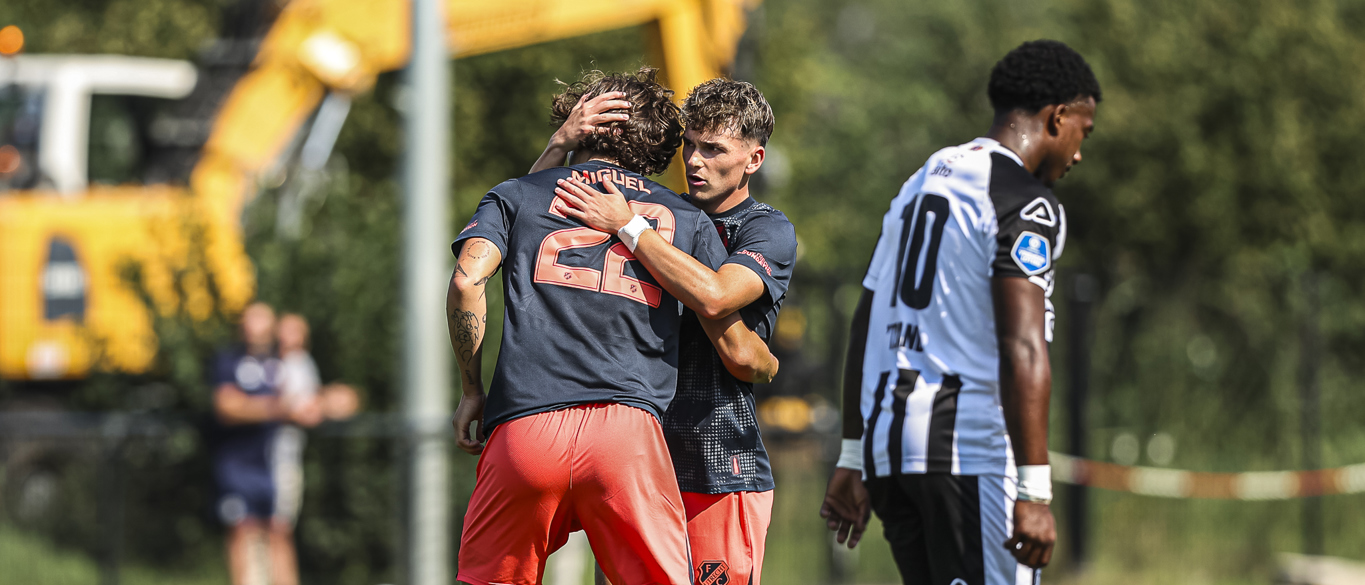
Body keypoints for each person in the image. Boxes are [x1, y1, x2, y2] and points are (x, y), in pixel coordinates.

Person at [448, 68, 780, 585]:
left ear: (577, 124)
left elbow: (468, 281)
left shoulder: (517, 193)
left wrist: (472, 390)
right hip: (629, 438)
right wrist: (768, 362)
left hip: (524, 429)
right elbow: (733, 339)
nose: (695, 160)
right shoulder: (686, 219)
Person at [819, 40, 1100, 585]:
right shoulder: (1024, 200)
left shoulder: (922, 179)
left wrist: (853, 453)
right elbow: (1023, 345)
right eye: (1082, 133)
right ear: (1057, 118)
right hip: (967, 454)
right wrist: (1035, 491)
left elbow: (865, 322)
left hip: (890, 453)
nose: (1078, 154)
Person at [543, 78, 796, 585]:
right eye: (690, 145)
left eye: (714, 149)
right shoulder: (659, 210)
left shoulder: (766, 228)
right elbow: (527, 216)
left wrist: (631, 229)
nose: (695, 161)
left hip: (718, 462)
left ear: (754, 159)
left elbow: (717, 297)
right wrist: (559, 146)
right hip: (630, 463)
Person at [211, 302, 321, 585]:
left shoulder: (282, 364)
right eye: (249, 321)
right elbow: (227, 406)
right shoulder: (229, 360)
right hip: (236, 466)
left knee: (279, 533)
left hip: (274, 465)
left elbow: (308, 405)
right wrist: (276, 408)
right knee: (242, 532)